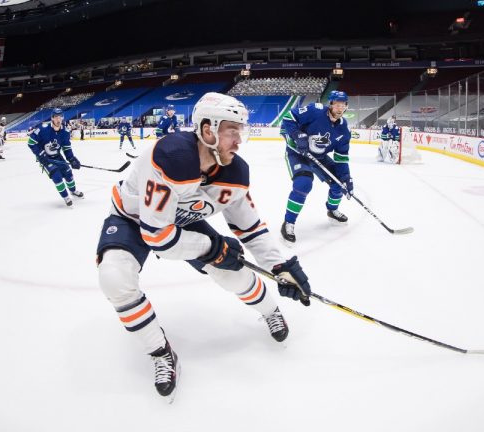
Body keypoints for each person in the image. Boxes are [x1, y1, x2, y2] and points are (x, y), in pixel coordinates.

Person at [95, 92, 312, 401]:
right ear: (207, 130)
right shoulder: (171, 157)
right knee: (114, 277)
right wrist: (212, 246)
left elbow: (250, 228)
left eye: (242, 129)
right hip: (133, 218)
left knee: (233, 275)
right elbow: (159, 239)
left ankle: (270, 310)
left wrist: (279, 266)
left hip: (178, 223)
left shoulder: (235, 173)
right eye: (231, 130)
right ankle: (160, 352)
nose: (239, 139)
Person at [279, 90, 353, 245]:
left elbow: (341, 158)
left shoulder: (344, 129)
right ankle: (288, 223)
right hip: (297, 154)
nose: (340, 108)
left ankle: (332, 210)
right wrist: (298, 135)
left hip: (319, 157)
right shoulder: (315, 110)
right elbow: (288, 117)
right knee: (303, 183)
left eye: (343, 105)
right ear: (331, 104)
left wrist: (346, 177)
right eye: (337, 104)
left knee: (339, 183)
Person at [27, 108, 84, 207]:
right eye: (56, 117)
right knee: (56, 176)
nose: (58, 119)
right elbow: (31, 143)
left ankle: (73, 191)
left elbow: (66, 148)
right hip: (45, 159)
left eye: (60, 117)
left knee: (68, 173)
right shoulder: (42, 129)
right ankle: (66, 197)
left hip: (57, 157)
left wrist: (72, 159)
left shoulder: (65, 132)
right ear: (52, 118)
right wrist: (40, 154)